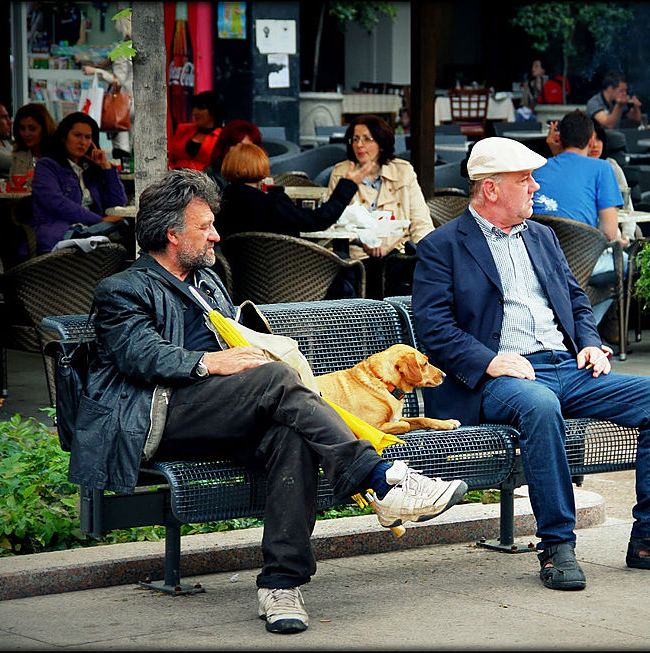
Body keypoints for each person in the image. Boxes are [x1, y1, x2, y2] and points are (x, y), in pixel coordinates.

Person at [77, 168, 467, 633]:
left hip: (226, 415)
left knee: (292, 434)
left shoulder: (207, 282)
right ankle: (382, 480)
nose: (217, 236)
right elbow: (137, 355)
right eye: (205, 227)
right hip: (159, 417)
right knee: (276, 379)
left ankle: (281, 585)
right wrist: (209, 362)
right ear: (171, 233)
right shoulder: (123, 289)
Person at [412, 136, 650, 592]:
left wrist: (591, 342)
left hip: (567, 368)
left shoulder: (543, 235)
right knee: (538, 406)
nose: (535, 187)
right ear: (491, 189)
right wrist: (491, 361)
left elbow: (575, 300)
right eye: (525, 179)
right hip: (499, 378)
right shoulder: (443, 246)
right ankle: (556, 545)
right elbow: (433, 326)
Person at [531, 111, 629, 326]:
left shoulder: (536, 168)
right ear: (592, 139)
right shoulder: (602, 168)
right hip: (582, 267)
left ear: (559, 138)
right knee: (624, 261)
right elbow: (610, 233)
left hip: (539, 265)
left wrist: (554, 151)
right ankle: (585, 328)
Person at [326, 114, 433, 298]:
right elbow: (332, 223)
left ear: (381, 144)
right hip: (355, 253)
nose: (360, 145)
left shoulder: (403, 170)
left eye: (367, 139)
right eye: (356, 139)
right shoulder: (342, 173)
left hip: (396, 252)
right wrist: (364, 240)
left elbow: (420, 222)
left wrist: (431, 255)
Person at [216, 141, 375, 239]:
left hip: (236, 278)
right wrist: (348, 185)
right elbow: (317, 220)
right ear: (262, 167)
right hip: (287, 275)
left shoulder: (220, 203)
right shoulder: (270, 204)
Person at [30, 112, 128, 253]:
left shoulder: (90, 169)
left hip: (95, 231)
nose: (83, 142)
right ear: (64, 137)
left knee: (124, 225)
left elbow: (119, 204)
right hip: (61, 232)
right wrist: (100, 220)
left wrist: (106, 167)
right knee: (118, 229)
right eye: (77, 135)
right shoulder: (47, 166)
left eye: (88, 137)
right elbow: (57, 203)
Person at [80, 11, 133, 160]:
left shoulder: (122, 51)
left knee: (122, 145)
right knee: (133, 142)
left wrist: (96, 71)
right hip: (135, 102)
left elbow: (118, 79)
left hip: (123, 104)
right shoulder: (137, 48)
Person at [168, 90, 226, 170]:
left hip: (205, 180)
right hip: (175, 178)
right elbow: (169, 158)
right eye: (194, 107)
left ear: (214, 110)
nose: (195, 112)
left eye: (201, 108)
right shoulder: (183, 129)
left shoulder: (223, 137)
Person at [203, 119, 263, 191]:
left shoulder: (259, 175)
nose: (245, 152)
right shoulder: (211, 176)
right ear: (225, 147)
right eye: (239, 146)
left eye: (249, 147)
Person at [10, 103, 58, 179]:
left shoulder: (58, 154)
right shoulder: (19, 153)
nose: (26, 134)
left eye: (32, 129)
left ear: (45, 128)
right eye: (22, 128)